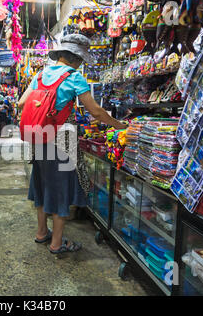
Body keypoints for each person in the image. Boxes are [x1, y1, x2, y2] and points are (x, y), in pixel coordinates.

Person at [18, 34, 127, 255]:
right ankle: (57, 244)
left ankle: (42, 233)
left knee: (41, 184)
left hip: (39, 138)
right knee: (61, 190)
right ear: (76, 58)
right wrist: (119, 125)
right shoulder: (74, 77)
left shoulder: (39, 75)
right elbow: (95, 111)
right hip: (60, 140)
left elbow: (21, 103)